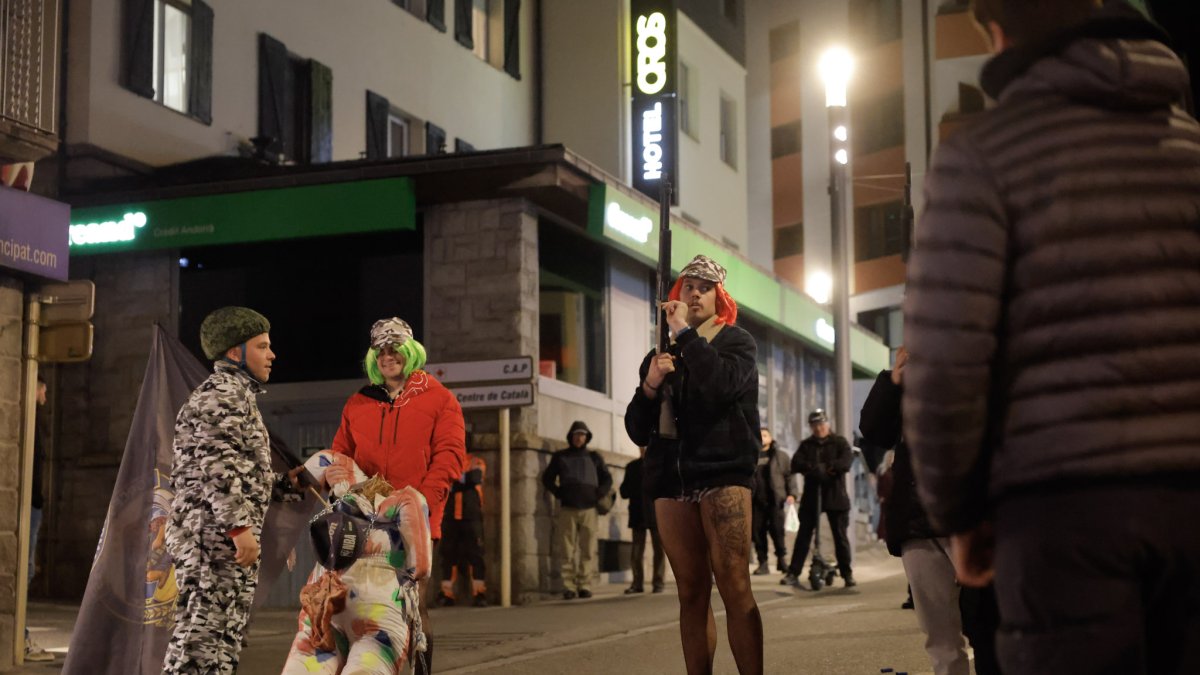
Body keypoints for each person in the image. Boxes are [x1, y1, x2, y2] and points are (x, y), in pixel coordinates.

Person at [901, 2, 1200, 673]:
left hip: (1061, 508)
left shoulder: (984, 155)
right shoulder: (1190, 148)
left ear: (997, 31)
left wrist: (960, 510)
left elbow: (945, 363)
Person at [625, 254, 764, 675]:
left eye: (706, 288)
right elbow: (637, 430)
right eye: (689, 287)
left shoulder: (736, 342)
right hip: (671, 480)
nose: (696, 294)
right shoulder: (660, 354)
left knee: (734, 584)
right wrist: (650, 385)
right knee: (690, 592)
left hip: (723, 473)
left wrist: (685, 334)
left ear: (720, 297)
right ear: (676, 294)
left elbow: (721, 386)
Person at [162, 306, 302, 673]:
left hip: (218, 536)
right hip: (211, 539)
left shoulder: (238, 395)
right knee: (200, 642)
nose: (272, 355)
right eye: (262, 346)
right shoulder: (222, 396)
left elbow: (240, 471)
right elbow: (218, 470)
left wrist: (288, 483)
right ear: (235, 352)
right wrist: (239, 529)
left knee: (220, 642)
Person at [326, 317, 466, 675]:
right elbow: (340, 455)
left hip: (414, 520)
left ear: (410, 351)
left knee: (412, 605)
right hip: (362, 520)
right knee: (354, 605)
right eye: (380, 351)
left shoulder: (440, 399)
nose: (387, 356)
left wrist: (421, 503)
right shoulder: (358, 402)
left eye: (394, 349)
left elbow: (450, 457)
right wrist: (338, 482)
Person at [861, 347, 972, 675]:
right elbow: (874, 431)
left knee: (992, 626)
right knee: (939, 636)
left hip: (971, 515)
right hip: (917, 519)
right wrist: (893, 381)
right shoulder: (906, 379)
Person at [281, 450, 432, 674]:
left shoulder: (340, 478)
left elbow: (303, 476)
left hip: (328, 600)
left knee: (305, 664)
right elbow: (420, 566)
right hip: (379, 606)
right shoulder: (408, 500)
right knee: (371, 660)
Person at [781, 409, 855, 589]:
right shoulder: (806, 445)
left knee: (840, 536)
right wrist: (812, 468)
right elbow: (796, 463)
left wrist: (829, 468)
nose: (818, 428)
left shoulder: (839, 442)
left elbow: (846, 462)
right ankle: (793, 572)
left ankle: (847, 573)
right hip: (812, 495)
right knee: (804, 535)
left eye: (821, 424)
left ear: (827, 424)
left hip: (835, 495)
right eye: (814, 425)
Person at [542, 420, 612, 600]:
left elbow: (607, 478)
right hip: (568, 508)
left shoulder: (594, 457)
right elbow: (547, 478)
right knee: (567, 550)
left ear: (587, 437)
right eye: (576, 435)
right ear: (570, 437)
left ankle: (584, 585)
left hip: (589, 509)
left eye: (582, 435)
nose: (579, 438)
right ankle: (569, 587)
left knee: (587, 550)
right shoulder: (560, 457)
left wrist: (599, 493)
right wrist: (559, 493)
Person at [23, 377, 52, 663]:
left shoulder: (34, 420)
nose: (45, 394)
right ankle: (19, 638)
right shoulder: (26, 418)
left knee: (27, 570)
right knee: (25, 570)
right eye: (43, 388)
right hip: (27, 505)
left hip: (32, 504)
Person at [437, 446, 488, 607]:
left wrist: (455, 481)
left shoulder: (476, 461)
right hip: (450, 515)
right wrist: (461, 480)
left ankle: (479, 593)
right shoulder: (448, 462)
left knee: (475, 554)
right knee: (448, 554)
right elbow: (445, 481)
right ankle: (447, 593)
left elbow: (475, 478)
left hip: (471, 516)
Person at [620, 447, 665, 594]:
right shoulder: (632, 467)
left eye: (647, 446)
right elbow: (624, 491)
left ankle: (658, 582)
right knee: (637, 551)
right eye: (642, 447)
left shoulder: (659, 465)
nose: (645, 449)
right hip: (638, 513)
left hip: (656, 513)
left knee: (659, 550)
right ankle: (637, 583)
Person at [751, 428, 794, 575]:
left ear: (770, 438)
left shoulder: (780, 456)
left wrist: (792, 494)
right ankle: (763, 563)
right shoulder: (751, 456)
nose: (762, 438)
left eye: (765, 435)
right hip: (756, 501)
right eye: (759, 435)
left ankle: (782, 560)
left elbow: (789, 476)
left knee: (777, 531)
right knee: (757, 533)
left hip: (775, 500)